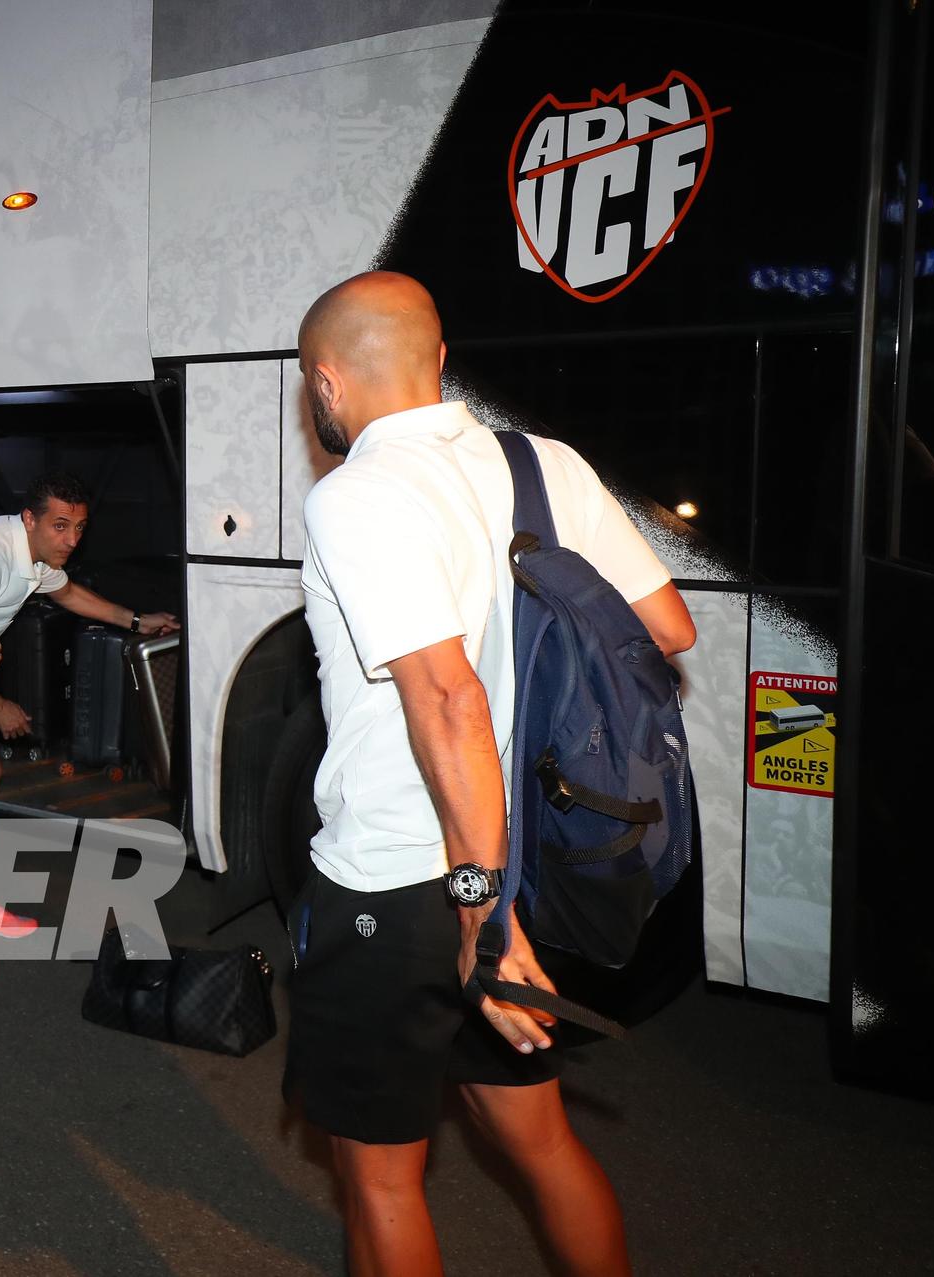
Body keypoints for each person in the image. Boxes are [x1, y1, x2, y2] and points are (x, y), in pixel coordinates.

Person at [289, 271, 695, 1276]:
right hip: (519, 860)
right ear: (435, 359)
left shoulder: (356, 494)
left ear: (325, 384)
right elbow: (665, 626)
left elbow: (446, 698)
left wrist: (476, 908)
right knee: (540, 1142)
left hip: (402, 881)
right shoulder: (541, 462)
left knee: (379, 1178)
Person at [0, 473, 179, 986]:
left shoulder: (37, 558)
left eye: (79, 528)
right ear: (29, 520)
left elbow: (71, 595)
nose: (71, 539)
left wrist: (137, 621)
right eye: (59, 526)